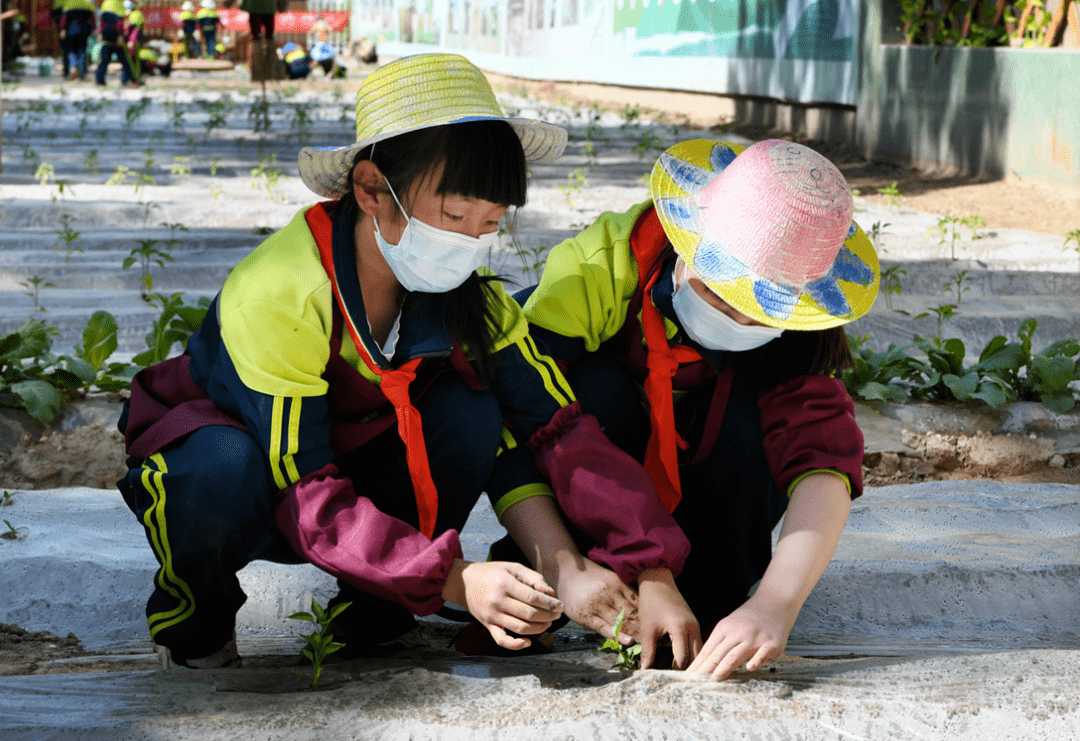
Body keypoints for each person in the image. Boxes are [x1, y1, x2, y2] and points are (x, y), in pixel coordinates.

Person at [116, 53, 694, 670]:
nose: (470, 241)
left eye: (490, 223)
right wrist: (455, 580)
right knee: (217, 469)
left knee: (470, 412)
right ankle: (196, 626)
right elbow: (304, 491)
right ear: (370, 190)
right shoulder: (282, 292)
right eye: (452, 216)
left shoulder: (474, 302)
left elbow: (562, 430)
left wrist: (630, 568)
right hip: (263, 482)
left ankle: (375, 615)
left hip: (353, 473)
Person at [497, 138, 879, 676]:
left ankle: (717, 587)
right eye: (720, 295)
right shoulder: (597, 271)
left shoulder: (798, 326)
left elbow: (824, 466)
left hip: (711, 501)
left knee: (752, 425)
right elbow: (524, 422)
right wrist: (574, 566)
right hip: (586, 496)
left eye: (759, 314)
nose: (736, 322)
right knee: (594, 388)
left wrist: (775, 605)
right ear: (687, 244)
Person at [95, 0, 138, 87]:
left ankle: (100, 80)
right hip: (116, 39)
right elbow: (119, 23)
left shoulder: (105, 4)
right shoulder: (118, 5)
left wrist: (100, 32)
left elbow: (102, 22)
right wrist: (120, 35)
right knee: (125, 60)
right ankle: (130, 80)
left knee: (104, 61)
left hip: (106, 38)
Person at [59, 0, 95, 80]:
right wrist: (94, 29)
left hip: (72, 29)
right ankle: (82, 73)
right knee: (82, 51)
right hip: (84, 30)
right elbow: (92, 19)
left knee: (72, 51)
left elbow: (64, 19)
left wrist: (62, 29)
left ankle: (73, 69)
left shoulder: (69, 3)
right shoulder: (88, 4)